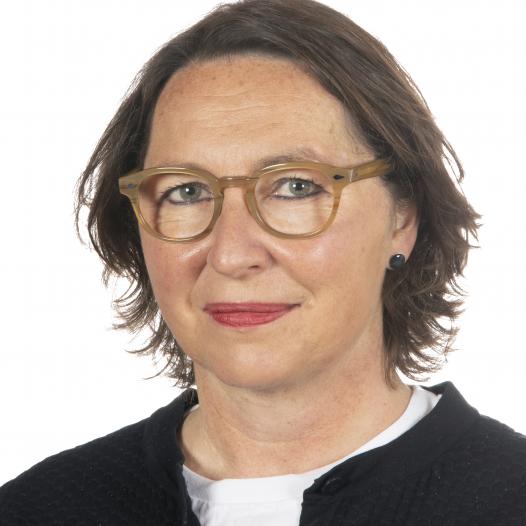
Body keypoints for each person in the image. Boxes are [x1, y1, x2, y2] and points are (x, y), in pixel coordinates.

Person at [1, 0, 525, 524]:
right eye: (186, 191)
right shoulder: (36, 510)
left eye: (295, 187)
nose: (231, 254)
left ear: (402, 218)